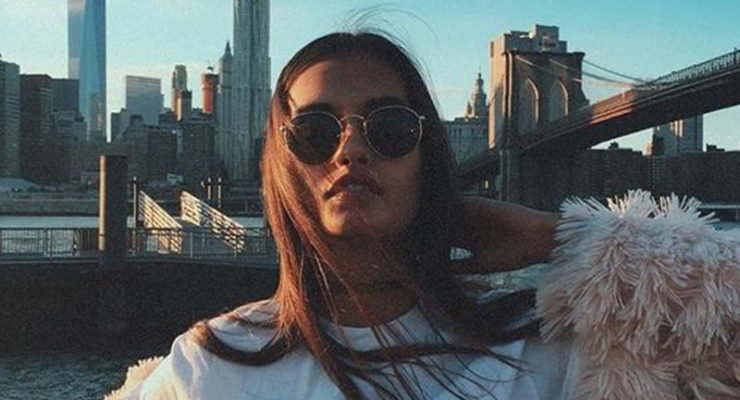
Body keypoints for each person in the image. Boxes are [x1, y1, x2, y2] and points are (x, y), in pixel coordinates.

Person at [109, 31, 740, 400]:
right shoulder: (208, 370)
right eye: (315, 131)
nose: (350, 149)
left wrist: (564, 236)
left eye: (388, 126)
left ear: (427, 156)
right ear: (281, 164)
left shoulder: (551, 351)